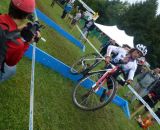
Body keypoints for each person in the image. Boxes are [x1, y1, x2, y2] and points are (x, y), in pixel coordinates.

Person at [0, 0, 40, 82]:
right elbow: (11, 63)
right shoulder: (17, 44)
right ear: (26, 16)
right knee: (12, 69)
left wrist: (17, 29)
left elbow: (5, 32)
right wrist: (27, 43)